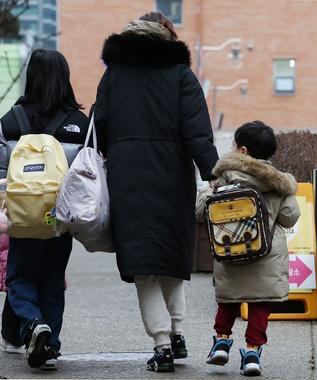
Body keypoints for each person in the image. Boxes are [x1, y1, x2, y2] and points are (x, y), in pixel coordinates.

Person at [93, 11, 219, 372]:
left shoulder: (114, 73)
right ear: (167, 35)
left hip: (127, 175)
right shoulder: (180, 74)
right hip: (171, 175)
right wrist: (212, 172)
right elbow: (197, 131)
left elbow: (99, 124)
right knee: (170, 256)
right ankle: (177, 333)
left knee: (143, 263)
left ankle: (162, 343)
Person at [0, 49, 89, 371]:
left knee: (21, 277)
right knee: (52, 281)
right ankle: (49, 344)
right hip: (59, 220)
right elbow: (88, 179)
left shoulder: (11, 121)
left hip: (21, 222)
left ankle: (33, 324)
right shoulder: (79, 125)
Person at [196, 121, 300, 377]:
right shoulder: (279, 184)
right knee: (260, 303)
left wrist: (205, 193)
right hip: (266, 252)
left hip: (229, 249)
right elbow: (289, 217)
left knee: (229, 299)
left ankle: (221, 340)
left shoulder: (222, 178)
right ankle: (252, 352)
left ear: (242, 150)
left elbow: (201, 212)